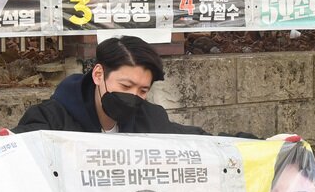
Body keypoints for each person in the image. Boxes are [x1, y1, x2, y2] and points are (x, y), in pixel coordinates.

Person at [15, 36, 206, 135]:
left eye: (143, 90)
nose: (133, 96)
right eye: (125, 86)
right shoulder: (51, 120)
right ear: (98, 75)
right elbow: (17, 147)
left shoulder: (151, 119)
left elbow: (190, 140)